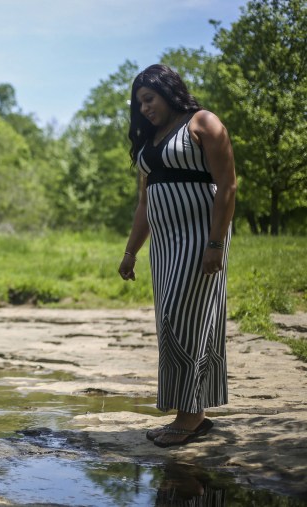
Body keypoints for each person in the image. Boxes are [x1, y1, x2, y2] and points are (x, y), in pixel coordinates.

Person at [118, 64, 237, 448]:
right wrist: (130, 251)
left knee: (184, 319)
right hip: (165, 244)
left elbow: (227, 187)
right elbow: (144, 204)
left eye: (149, 99)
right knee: (171, 322)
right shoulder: (151, 140)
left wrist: (215, 244)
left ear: (167, 91)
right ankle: (191, 414)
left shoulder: (203, 123)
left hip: (202, 237)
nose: (145, 109)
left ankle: (190, 418)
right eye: (139, 104)